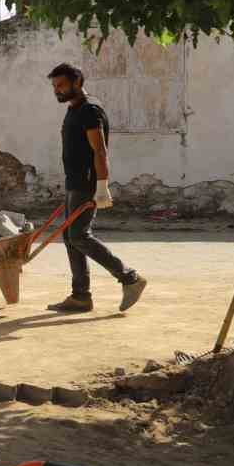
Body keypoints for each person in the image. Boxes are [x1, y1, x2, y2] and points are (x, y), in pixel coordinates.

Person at [47, 63, 147, 313]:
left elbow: (99, 150)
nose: (57, 91)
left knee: (79, 235)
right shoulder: (74, 109)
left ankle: (130, 278)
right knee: (70, 239)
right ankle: (81, 297)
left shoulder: (90, 110)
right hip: (74, 183)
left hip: (87, 184)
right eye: (54, 86)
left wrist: (102, 185)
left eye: (61, 85)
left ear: (77, 81)